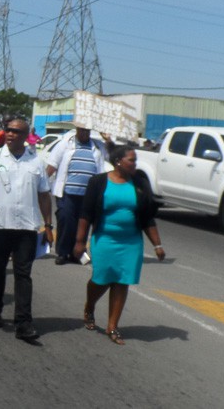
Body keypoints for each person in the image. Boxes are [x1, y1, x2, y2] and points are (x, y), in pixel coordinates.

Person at [0, 118, 53, 342]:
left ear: (25, 136)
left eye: (16, 131)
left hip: (27, 226)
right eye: (8, 130)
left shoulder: (35, 162)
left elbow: (44, 195)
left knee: (24, 273)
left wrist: (49, 225)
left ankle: (23, 322)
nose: (10, 134)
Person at [73, 145, 165, 345]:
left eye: (135, 160)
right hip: (104, 239)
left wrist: (157, 245)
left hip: (131, 242)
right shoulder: (98, 182)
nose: (135, 164)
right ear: (118, 161)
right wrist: (79, 242)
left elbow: (148, 218)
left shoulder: (139, 184)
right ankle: (90, 306)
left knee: (122, 281)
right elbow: (86, 214)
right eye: (131, 160)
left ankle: (113, 326)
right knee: (101, 278)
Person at [46, 126, 114, 265]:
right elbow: (52, 165)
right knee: (66, 220)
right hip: (67, 192)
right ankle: (63, 253)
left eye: (87, 131)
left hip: (89, 195)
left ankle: (78, 254)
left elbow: (115, 156)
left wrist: (109, 141)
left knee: (83, 224)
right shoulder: (65, 144)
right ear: (77, 130)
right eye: (81, 130)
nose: (84, 133)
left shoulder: (98, 145)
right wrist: (42, 184)